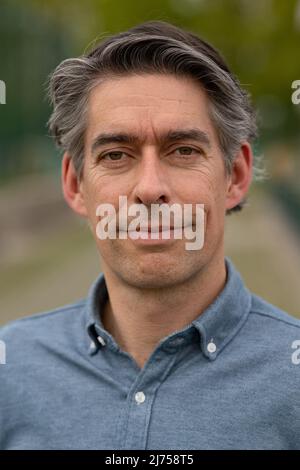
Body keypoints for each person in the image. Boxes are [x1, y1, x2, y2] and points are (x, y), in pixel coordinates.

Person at [0, 20, 299, 450]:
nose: (149, 188)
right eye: (116, 155)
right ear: (74, 184)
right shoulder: (13, 368)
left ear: (235, 175)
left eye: (184, 151)